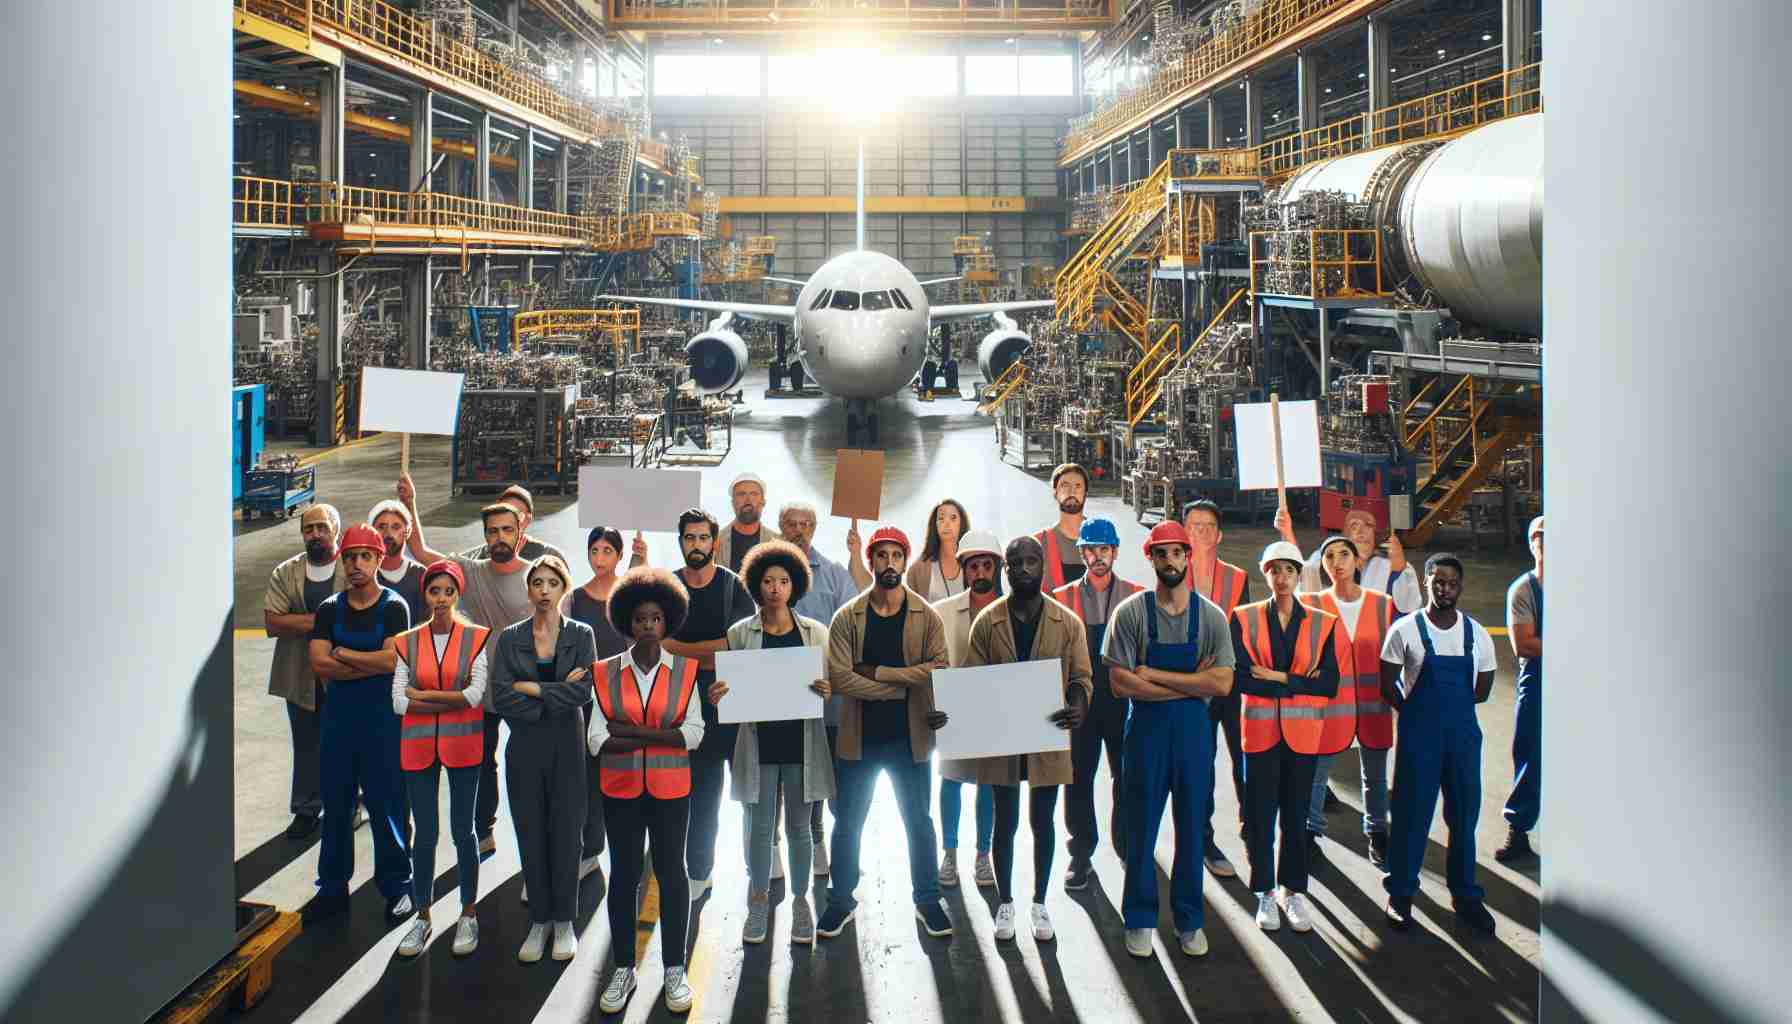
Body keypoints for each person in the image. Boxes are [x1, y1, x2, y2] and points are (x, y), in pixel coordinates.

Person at [1104, 521, 1235, 959]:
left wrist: (1157, 675)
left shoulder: (1212, 616)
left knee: (1192, 833)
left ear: (1188, 556)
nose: (1170, 561)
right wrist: (1192, 683)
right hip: (1145, 736)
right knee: (1140, 829)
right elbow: (1121, 683)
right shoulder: (1131, 613)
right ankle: (1139, 919)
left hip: (1194, 739)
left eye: (1177, 553)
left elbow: (1222, 684)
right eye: (1161, 554)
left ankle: (1189, 920)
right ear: (1151, 559)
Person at [818, 526, 954, 940]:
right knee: (848, 824)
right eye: (882, 556)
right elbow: (840, 678)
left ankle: (927, 900)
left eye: (897, 556)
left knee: (919, 822)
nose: (889, 563)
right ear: (872, 561)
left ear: (904, 560)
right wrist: (902, 687)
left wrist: (880, 675)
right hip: (857, 738)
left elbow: (940, 668)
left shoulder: (925, 615)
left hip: (909, 739)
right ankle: (840, 901)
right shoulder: (848, 617)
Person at [959, 536, 1091, 943]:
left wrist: (1079, 703)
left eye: (1032, 562)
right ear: (1007, 570)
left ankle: (1039, 901)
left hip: (1048, 735)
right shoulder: (988, 622)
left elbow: (1082, 677)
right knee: (1005, 819)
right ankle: (1005, 902)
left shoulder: (1067, 622)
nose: (1024, 569)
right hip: (1003, 737)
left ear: (1043, 568)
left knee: (1042, 821)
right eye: (1016, 563)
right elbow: (972, 681)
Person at [398, 474, 537, 858]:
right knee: (483, 760)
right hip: (486, 687)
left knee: (526, 767)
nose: (499, 538)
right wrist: (411, 501)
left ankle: (531, 836)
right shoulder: (472, 573)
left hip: (526, 689)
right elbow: (421, 551)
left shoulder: (536, 576)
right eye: (492, 531)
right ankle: (484, 828)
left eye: (506, 530)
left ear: (520, 531)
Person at [709, 540, 836, 945]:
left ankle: (801, 903)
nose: (776, 588)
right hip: (759, 744)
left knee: (800, 829)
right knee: (759, 830)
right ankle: (758, 901)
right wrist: (720, 695)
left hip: (801, 745)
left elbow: (825, 684)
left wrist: (826, 689)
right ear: (757, 584)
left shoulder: (816, 633)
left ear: (795, 585)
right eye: (768, 580)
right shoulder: (739, 633)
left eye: (783, 581)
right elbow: (732, 688)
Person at [589, 568, 703, 1016]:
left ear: (667, 620)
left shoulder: (686, 671)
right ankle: (624, 967)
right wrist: (660, 733)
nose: (648, 625)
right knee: (623, 877)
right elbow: (596, 739)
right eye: (640, 618)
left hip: (672, 789)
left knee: (673, 875)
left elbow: (693, 733)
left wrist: (630, 732)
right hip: (620, 790)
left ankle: (674, 968)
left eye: (656, 617)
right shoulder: (604, 672)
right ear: (627, 622)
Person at [1380, 553, 1498, 935]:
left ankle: (1466, 895)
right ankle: (1400, 895)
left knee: (1464, 818)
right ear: (1427, 582)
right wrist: (1415, 714)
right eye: (1438, 581)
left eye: (1452, 583)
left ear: (1460, 587)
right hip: (1420, 739)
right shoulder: (1405, 630)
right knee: (1412, 816)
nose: (1445, 589)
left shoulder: (1476, 633)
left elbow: (1482, 689)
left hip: (1463, 739)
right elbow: (1388, 683)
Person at [489, 555, 597, 962]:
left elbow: (584, 691)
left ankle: (564, 921)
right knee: (531, 829)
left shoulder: (581, 634)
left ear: (563, 587)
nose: (544, 590)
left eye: (553, 583)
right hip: (526, 744)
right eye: (537, 583)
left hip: (569, 745)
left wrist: (533, 689)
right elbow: (502, 695)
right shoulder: (510, 637)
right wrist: (553, 692)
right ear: (529, 589)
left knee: (567, 832)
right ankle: (539, 921)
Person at [1230, 541, 1342, 934]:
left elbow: (1329, 684)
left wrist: (1277, 678)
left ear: (1298, 576)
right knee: (1260, 817)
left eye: (1289, 571)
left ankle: (1292, 891)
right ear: (1265, 574)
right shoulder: (1243, 619)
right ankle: (1264, 891)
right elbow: (1238, 678)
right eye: (1274, 570)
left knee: (1296, 816)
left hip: (1303, 737)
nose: (1282, 578)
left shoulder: (1322, 622)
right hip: (1259, 734)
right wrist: (1299, 683)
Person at [304, 523, 413, 922]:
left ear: (378, 560)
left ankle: (399, 885)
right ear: (341, 560)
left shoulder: (394, 607)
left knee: (388, 805)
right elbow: (318, 662)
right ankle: (332, 886)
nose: (356, 564)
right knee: (336, 806)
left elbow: (393, 661)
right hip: (338, 724)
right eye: (349, 557)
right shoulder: (329, 609)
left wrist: (344, 655)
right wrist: (366, 664)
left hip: (382, 724)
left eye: (364, 556)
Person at [391, 560, 490, 959]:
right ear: (425, 594)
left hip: (462, 745)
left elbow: (475, 695)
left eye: (449, 591)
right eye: (435, 591)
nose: (442, 599)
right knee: (426, 834)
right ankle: (423, 916)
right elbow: (398, 701)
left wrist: (422, 696)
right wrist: (448, 698)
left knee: (463, 830)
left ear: (458, 594)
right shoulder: (406, 641)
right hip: (418, 746)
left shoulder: (476, 638)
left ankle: (468, 912)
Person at [659, 508, 754, 901]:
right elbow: (655, 642)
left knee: (751, 791)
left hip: (731, 701)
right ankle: (700, 871)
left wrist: (680, 650)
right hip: (684, 707)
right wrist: (708, 652)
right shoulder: (668, 588)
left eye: (703, 538)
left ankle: (760, 866)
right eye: (689, 538)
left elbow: (736, 645)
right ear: (680, 542)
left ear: (715, 542)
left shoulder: (735, 588)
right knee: (702, 795)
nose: (696, 545)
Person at [1053, 516, 1144, 888]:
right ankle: (1080, 855)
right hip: (1082, 703)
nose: (1097, 557)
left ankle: (1128, 847)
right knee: (1077, 778)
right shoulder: (1062, 599)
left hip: (1124, 702)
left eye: (1104, 549)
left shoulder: (1138, 596)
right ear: (1082, 553)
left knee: (1128, 777)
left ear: (1115, 552)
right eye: (1090, 550)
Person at [1298, 536, 1398, 869]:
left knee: (1376, 778)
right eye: (1329, 556)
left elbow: (1397, 654)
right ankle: (1309, 835)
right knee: (1315, 776)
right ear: (1323, 565)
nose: (1337, 561)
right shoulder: (1312, 604)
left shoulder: (1383, 603)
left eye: (1344, 554)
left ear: (1358, 562)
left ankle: (1378, 833)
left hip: (1374, 706)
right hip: (1329, 709)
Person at [776, 500, 862, 881]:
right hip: (777, 699)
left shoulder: (833, 574)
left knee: (827, 774)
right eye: (791, 524)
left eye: (805, 524)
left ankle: (822, 840)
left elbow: (849, 630)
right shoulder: (765, 576)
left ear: (814, 528)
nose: (799, 530)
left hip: (825, 697)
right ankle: (789, 844)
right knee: (789, 777)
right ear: (780, 527)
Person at [264, 503, 347, 840]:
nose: (314, 535)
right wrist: (327, 621)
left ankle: (345, 805)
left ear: (335, 530)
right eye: (308, 529)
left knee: (344, 744)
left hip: (344, 673)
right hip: (299, 673)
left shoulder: (354, 566)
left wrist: (298, 621)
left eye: (321, 528)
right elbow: (272, 623)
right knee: (306, 744)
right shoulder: (286, 572)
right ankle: (306, 808)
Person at [1181, 499, 1252, 878]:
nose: (1201, 532)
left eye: (1208, 525)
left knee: (1245, 758)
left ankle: (1250, 826)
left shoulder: (1237, 578)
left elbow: (1244, 634)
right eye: (1193, 526)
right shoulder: (1173, 578)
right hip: (1194, 690)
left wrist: (1219, 658)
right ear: (1184, 533)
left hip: (1233, 684)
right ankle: (1204, 838)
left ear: (1219, 534)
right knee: (1201, 764)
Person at [932, 530, 1003, 889]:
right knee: (951, 781)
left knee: (988, 785)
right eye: (972, 566)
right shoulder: (942, 613)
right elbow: (931, 661)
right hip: (956, 709)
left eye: (986, 565)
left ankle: (983, 855)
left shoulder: (1012, 609)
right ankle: (949, 853)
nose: (979, 572)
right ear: (963, 570)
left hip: (996, 710)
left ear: (997, 568)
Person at [563, 527, 633, 888]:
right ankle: (590, 851)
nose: (600, 557)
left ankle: (630, 848)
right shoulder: (574, 598)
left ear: (619, 555)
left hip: (624, 699)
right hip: (588, 700)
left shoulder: (628, 595)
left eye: (608, 550)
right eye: (595, 550)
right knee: (589, 777)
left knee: (625, 777)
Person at [1496, 515, 1544, 864]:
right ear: (1532, 545)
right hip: (1539, 681)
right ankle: (1519, 832)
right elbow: (1524, 645)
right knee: (1531, 756)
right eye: (1542, 538)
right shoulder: (1524, 590)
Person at [1278, 506, 1421, 612]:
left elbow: (1409, 607)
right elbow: (1301, 572)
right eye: (1354, 526)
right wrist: (1287, 532)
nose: (1361, 532)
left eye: (1368, 526)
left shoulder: (1387, 564)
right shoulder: (1326, 556)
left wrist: (1399, 571)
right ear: (1345, 534)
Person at [369, 499, 428, 626]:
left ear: (407, 532)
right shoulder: (365, 575)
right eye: (381, 527)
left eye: (396, 527)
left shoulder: (421, 575)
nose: (388, 533)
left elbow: (426, 624)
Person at [1035, 463, 1089, 590]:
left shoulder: (1101, 537)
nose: (1072, 491)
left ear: (1085, 493)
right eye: (1065, 486)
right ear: (1055, 492)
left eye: (1078, 486)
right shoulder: (1039, 543)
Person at [906, 498, 971, 600]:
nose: (947, 523)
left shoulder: (974, 563)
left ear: (961, 523)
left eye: (953, 518)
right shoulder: (917, 570)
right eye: (941, 518)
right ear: (934, 525)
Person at [716, 473, 767, 575]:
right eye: (741, 494)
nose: (748, 499)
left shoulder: (776, 542)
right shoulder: (715, 540)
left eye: (754, 494)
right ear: (733, 502)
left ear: (763, 502)